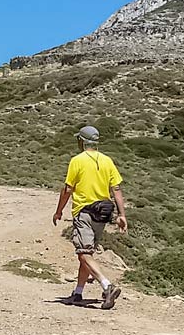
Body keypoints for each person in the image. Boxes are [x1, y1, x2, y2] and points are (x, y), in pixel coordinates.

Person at [52, 125, 127, 309]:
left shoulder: (77, 160)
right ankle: (78, 293)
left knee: (84, 253)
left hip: (84, 210)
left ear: (82, 141)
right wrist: (122, 215)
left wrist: (59, 210)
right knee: (87, 254)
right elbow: (116, 189)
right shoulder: (107, 161)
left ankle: (107, 285)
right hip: (103, 212)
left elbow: (68, 189)